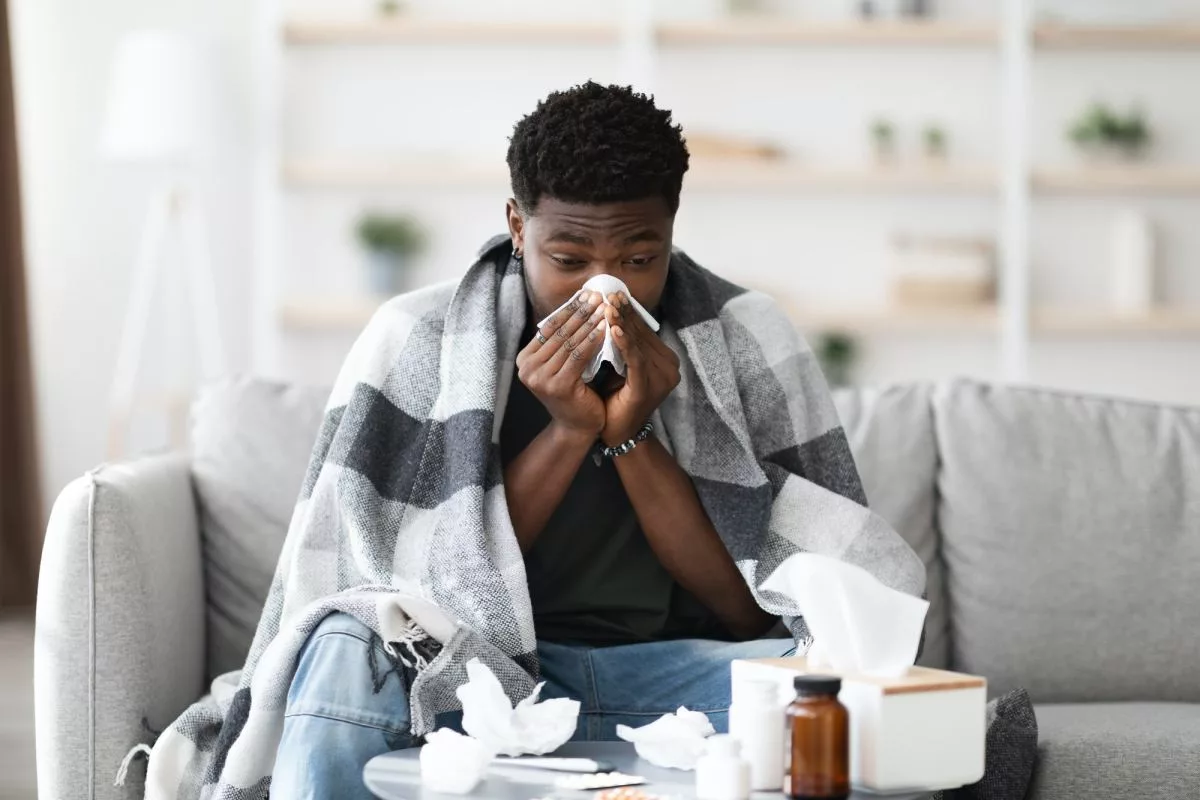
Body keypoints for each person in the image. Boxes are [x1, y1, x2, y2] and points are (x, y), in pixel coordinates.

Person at [146, 82, 922, 800]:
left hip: (668, 676)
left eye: (639, 259)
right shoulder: (417, 339)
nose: (604, 289)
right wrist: (567, 430)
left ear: (672, 233)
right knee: (339, 651)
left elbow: (753, 612)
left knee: (843, 687)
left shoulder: (745, 337)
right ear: (518, 226)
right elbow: (404, 603)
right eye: (569, 259)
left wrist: (634, 437)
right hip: (472, 677)